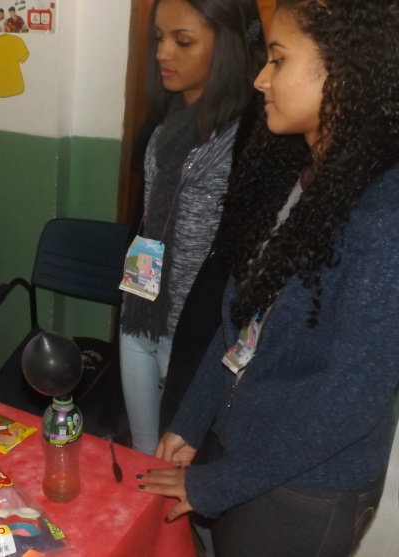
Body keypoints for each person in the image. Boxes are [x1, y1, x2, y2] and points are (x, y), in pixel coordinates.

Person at [140, 1, 399, 556]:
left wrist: (216, 485)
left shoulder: (384, 214)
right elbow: (242, 319)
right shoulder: (298, 173)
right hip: (250, 457)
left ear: (344, 70)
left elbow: (348, 403)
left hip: (307, 488)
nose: (260, 78)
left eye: (278, 61)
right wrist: (192, 419)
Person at [118, 0, 265, 456]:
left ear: (227, 47)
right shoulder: (161, 130)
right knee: (143, 455)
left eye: (182, 41)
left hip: (192, 336)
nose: (164, 53)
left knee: (177, 464)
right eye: (159, 39)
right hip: (141, 314)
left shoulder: (249, 135)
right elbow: (143, 223)